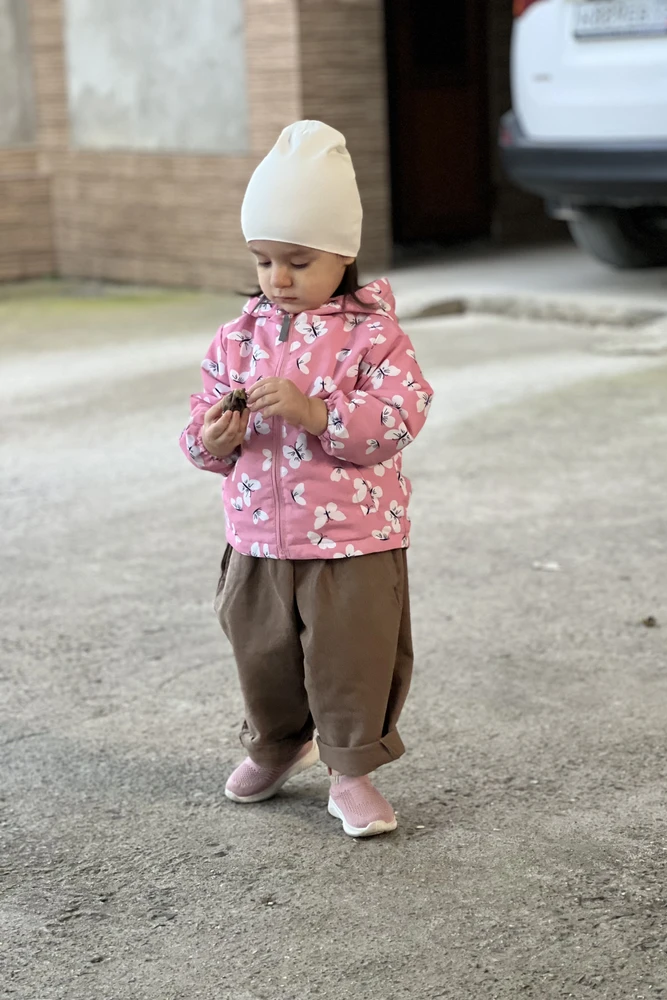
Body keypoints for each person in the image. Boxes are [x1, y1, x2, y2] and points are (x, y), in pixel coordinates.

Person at [179, 121, 433, 838]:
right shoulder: (236, 338)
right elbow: (197, 429)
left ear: (343, 253)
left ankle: (350, 769)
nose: (277, 278)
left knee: (350, 659)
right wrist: (213, 438)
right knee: (261, 651)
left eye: (297, 259)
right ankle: (277, 741)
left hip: (354, 542)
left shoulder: (373, 336)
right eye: (263, 261)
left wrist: (317, 411)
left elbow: (399, 418)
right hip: (258, 538)